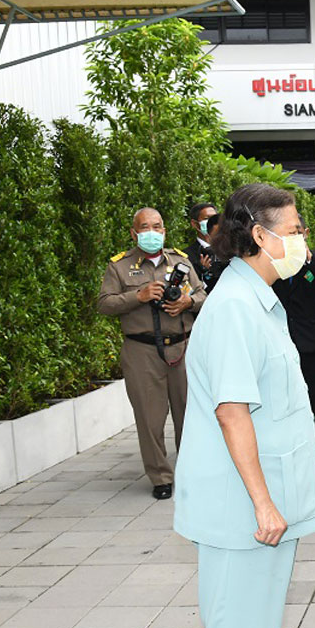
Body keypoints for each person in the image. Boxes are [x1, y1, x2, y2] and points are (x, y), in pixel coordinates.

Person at [173, 182, 315, 628]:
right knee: (240, 626)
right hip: (243, 505)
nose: (302, 241)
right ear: (260, 237)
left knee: (249, 622)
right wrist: (263, 503)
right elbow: (232, 412)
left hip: (254, 497)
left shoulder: (253, 296)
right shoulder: (237, 307)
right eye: (294, 231)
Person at [97, 207, 205, 499]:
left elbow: (203, 295)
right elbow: (105, 304)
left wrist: (187, 302)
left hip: (182, 348)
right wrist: (139, 296)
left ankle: (192, 472)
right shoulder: (119, 267)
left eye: (157, 227)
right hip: (141, 351)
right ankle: (161, 478)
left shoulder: (181, 261)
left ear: (164, 230)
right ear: (134, 233)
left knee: (190, 415)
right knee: (150, 418)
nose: (152, 232)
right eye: (145, 227)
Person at [272, 215, 315, 450]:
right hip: (279, 341)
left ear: (305, 233)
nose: (293, 237)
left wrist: (308, 259)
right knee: (282, 396)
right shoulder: (274, 261)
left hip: (310, 342)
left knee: (313, 396)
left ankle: (314, 444)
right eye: (287, 233)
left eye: (296, 232)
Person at [186, 201, 227, 292]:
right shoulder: (186, 256)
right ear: (195, 224)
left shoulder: (229, 249)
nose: (212, 223)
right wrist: (202, 272)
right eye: (207, 218)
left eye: (215, 218)